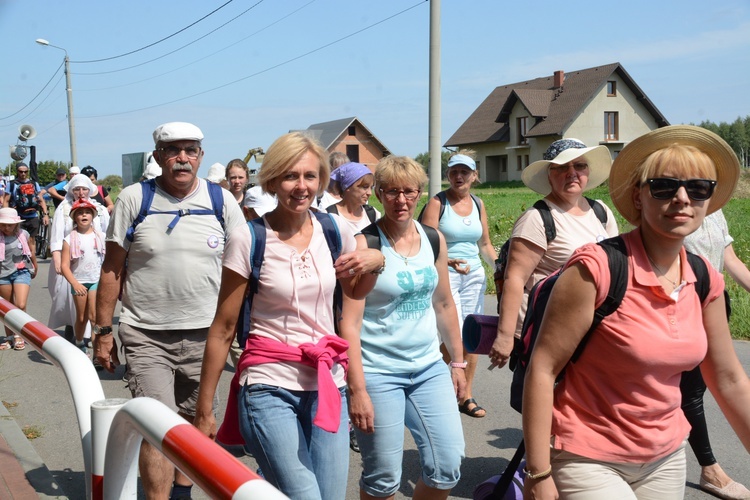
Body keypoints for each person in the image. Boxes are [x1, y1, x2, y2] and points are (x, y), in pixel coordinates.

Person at [519, 125, 750, 499]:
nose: (681, 198)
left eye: (697, 188)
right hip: (587, 455)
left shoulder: (705, 278)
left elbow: (729, 380)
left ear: (708, 201)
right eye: (663, 186)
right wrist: (538, 471)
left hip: (666, 457)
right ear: (639, 197)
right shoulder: (596, 269)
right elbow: (543, 369)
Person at [194, 132, 374, 500]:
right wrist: (203, 409)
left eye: (310, 176)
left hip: (328, 383)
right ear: (273, 180)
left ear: (322, 180)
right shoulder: (249, 237)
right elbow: (224, 328)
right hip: (268, 384)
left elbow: (358, 295)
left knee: (330, 496)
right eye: (291, 176)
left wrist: (377, 258)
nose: (301, 186)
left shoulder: (334, 229)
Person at [93, 122, 245, 500]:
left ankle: (181, 492)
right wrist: (103, 331)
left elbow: (244, 264)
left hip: (206, 337)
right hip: (146, 336)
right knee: (158, 425)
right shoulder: (134, 199)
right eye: (173, 150)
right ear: (158, 155)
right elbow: (112, 268)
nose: (182, 158)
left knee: (195, 423)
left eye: (190, 150)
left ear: (201, 156)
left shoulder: (221, 202)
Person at [344, 155, 466, 500]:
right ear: (379, 194)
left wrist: (457, 362)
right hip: (378, 371)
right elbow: (349, 323)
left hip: (428, 367)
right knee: (383, 478)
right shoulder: (364, 244)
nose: (401, 200)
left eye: (409, 192)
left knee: (447, 467)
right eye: (392, 192)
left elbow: (443, 303)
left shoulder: (433, 239)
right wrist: (357, 389)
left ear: (420, 194)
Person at [489, 138, 618, 367]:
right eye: (562, 167)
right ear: (549, 175)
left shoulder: (601, 212)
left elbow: (616, 268)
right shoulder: (538, 218)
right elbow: (515, 279)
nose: (572, 173)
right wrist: (505, 336)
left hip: (595, 327)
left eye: (579, 166)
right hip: (548, 330)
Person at [420, 151, 497, 418]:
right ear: (448, 175)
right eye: (454, 172)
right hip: (445, 274)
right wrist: (448, 260)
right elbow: (424, 243)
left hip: (474, 275)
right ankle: (445, 391)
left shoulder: (478, 203)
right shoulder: (437, 203)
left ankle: (466, 395)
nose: (459, 176)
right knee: (453, 333)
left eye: (465, 172)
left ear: (474, 176)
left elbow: (484, 244)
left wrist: (501, 268)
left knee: (472, 334)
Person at [681, 209, 750, 499]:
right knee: (692, 390)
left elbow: (729, 259)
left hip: (715, 300)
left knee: (706, 384)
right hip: (683, 302)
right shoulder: (673, 204)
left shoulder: (717, 211)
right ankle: (709, 468)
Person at [47, 174, 109, 340]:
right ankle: (74, 331)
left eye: (84, 189)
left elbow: (107, 232)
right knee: (69, 300)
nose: (81, 192)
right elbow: (57, 235)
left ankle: (95, 344)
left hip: (94, 260)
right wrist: (57, 257)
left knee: (95, 310)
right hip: (71, 259)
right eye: (77, 189)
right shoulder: (64, 208)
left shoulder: (98, 209)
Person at [60, 199, 105, 355]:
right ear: (74, 218)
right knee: (81, 318)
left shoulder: (101, 237)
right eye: (79, 213)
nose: (84, 215)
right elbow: (64, 266)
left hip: (96, 280)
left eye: (87, 212)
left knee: (94, 317)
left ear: (93, 216)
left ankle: (97, 351)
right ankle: (79, 341)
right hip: (78, 281)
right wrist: (75, 283)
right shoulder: (68, 239)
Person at [0, 207, 36, 351]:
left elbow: (30, 251)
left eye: (10, 224)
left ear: (16, 224)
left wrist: (35, 266)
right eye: (3, 224)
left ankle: (19, 335)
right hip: (3, 274)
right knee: (7, 307)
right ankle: (9, 337)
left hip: (21, 271)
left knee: (20, 305)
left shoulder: (23, 234)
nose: (7, 227)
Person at [3, 162, 50, 258]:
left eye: (25, 172)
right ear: (17, 171)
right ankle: (21, 258)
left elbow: (41, 200)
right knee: (19, 239)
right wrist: (6, 217)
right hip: (18, 217)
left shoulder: (34, 184)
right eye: (21, 171)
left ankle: (31, 261)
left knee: (32, 240)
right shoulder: (12, 184)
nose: (23, 174)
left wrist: (45, 215)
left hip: (33, 216)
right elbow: (6, 200)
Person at [326, 161, 381, 232]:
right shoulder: (328, 216)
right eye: (364, 187)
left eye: (371, 187)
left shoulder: (372, 214)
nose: (370, 193)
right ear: (348, 187)